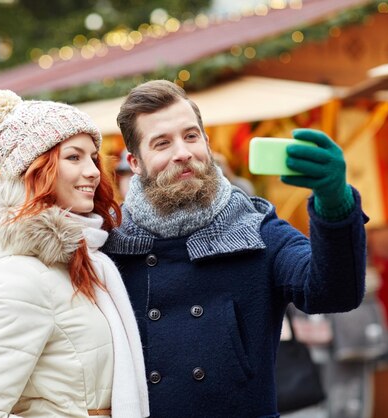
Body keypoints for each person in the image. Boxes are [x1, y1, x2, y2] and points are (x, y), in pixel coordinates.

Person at [102, 80, 368, 418]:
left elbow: (336, 293)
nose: (182, 152)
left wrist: (335, 202)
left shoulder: (256, 229)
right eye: (162, 143)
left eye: (191, 136)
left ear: (208, 143)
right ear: (135, 162)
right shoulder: (111, 244)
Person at [0, 90, 149, 418]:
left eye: (93, 157)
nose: (94, 171)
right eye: (73, 157)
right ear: (34, 169)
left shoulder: (77, 258)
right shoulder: (19, 278)